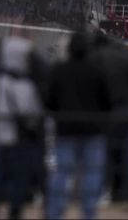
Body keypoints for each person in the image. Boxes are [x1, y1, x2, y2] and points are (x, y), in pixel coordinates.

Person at [46, 32, 111, 220]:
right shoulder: (97, 71)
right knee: (91, 173)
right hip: (92, 130)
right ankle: (89, 212)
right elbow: (107, 101)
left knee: (61, 172)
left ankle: (55, 212)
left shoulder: (59, 70)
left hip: (65, 129)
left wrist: (58, 115)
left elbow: (49, 100)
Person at [0, 36, 43, 220]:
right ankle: (15, 209)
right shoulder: (24, 84)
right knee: (18, 178)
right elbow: (32, 113)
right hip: (19, 139)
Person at [92, 33, 128, 201]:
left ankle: (109, 191)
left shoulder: (93, 59)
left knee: (108, 155)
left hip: (105, 116)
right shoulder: (126, 59)